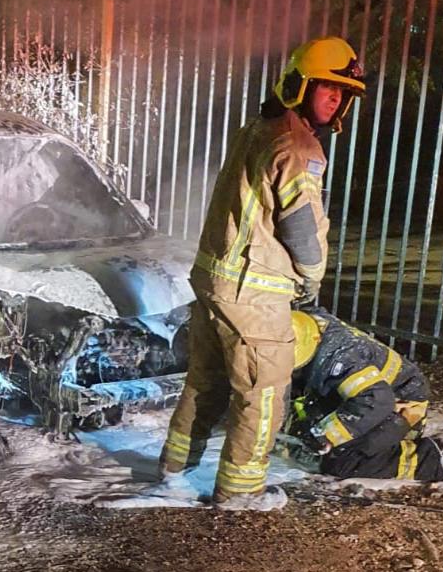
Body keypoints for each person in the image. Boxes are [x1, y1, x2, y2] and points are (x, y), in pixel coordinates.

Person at [153, 37, 365, 509]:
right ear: (300, 85)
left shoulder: (258, 129)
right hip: (253, 292)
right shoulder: (299, 147)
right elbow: (302, 229)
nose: (336, 98)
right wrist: (312, 277)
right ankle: (241, 493)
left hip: (215, 281)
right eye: (328, 87)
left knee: (204, 383)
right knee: (262, 393)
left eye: (343, 92)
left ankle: (172, 471)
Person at [288, 306, 443, 481]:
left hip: (400, 406)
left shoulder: (339, 360)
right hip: (370, 396)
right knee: (306, 429)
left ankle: (435, 459)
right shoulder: (305, 323)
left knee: (343, 462)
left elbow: (376, 400)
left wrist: (325, 434)